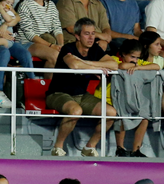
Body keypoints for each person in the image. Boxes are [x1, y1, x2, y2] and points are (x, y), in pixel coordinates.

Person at [47, 18, 119, 157]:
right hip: (58, 93)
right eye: (87, 34)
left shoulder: (95, 49)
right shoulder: (68, 48)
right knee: (76, 111)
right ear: (77, 36)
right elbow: (75, 65)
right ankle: (58, 147)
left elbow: (114, 65)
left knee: (111, 113)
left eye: (93, 33)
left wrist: (89, 64)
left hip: (81, 95)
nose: (91, 37)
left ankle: (89, 147)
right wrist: (96, 67)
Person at [14, 0, 63, 68]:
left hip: (46, 42)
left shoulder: (51, 5)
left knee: (64, 55)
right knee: (54, 55)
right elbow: (29, 34)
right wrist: (50, 46)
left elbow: (57, 28)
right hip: (26, 43)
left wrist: (61, 45)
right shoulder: (25, 5)